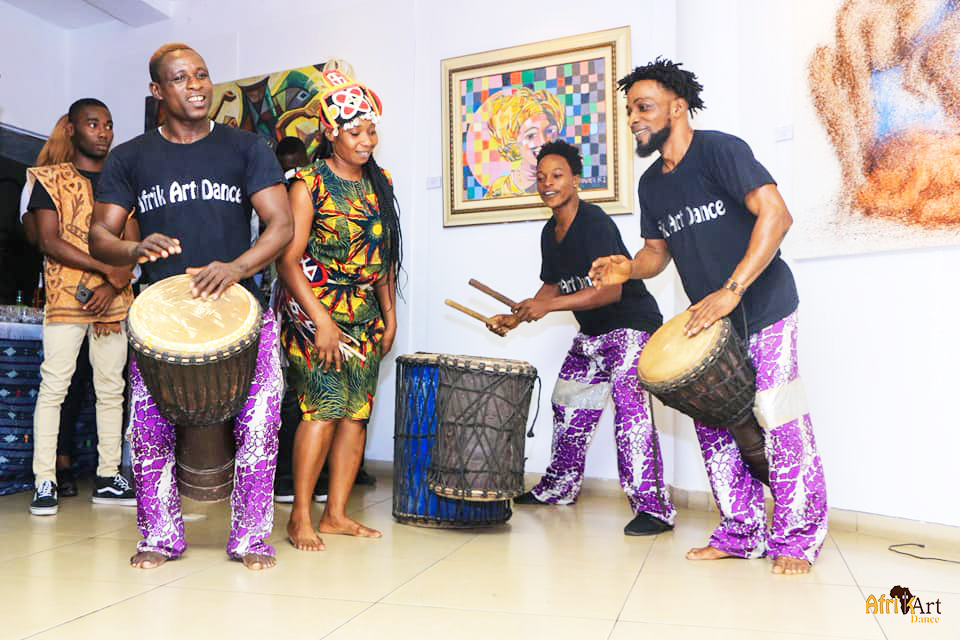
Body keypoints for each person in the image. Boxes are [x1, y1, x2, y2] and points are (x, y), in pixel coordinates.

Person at [589, 58, 828, 574]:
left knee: (779, 416)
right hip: (711, 325)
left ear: (677, 107)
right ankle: (741, 532)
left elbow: (777, 214)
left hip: (765, 305)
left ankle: (798, 537)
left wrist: (732, 290)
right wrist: (627, 267)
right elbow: (656, 253)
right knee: (713, 425)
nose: (634, 119)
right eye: (630, 111)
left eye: (643, 107)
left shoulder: (721, 150)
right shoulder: (652, 185)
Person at [89, 43, 293, 571]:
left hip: (242, 310)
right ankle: (160, 536)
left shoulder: (245, 147)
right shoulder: (130, 157)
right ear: (157, 91)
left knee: (260, 424)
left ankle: (251, 538)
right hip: (162, 322)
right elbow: (99, 235)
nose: (196, 85)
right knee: (149, 429)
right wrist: (133, 249)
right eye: (180, 78)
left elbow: (281, 224)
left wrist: (238, 267)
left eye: (201, 74)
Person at [486, 140, 675, 536]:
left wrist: (547, 308)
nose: (547, 184)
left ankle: (653, 510)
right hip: (592, 333)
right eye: (541, 178)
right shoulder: (549, 232)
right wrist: (515, 318)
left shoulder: (594, 222)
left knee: (631, 415)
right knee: (567, 405)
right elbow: (550, 287)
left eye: (557, 176)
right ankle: (559, 487)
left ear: (575, 180)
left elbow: (610, 292)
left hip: (630, 327)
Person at [276, 69, 400, 551]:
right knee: (322, 410)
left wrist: (389, 314)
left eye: (371, 131)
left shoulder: (379, 182)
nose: (367, 141)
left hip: (365, 314)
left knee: (355, 415)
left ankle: (336, 515)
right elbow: (288, 261)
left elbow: (384, 254)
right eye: (356, 133)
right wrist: (322, 322)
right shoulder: (308, 183)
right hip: (316, 314)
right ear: (331, 133)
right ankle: (299, 517)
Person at [26, 99, 136, 516]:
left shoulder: (121, 181)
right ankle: (44, 480)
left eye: (108, 124)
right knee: (55, 387)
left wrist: (114, 281)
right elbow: (49, 240)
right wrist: (107, 270)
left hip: (114, 300)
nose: (103, 132)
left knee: (111, 389)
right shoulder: (49, 179)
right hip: (66, 297)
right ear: (72, 129)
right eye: (93, 124)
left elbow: (132, 239)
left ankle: (108, 476)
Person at [483, 88, 564, 198]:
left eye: (549, 131)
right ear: (513, 143)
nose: (543, 141)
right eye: (531, 135)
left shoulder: (567, 185)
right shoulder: (498, 193)